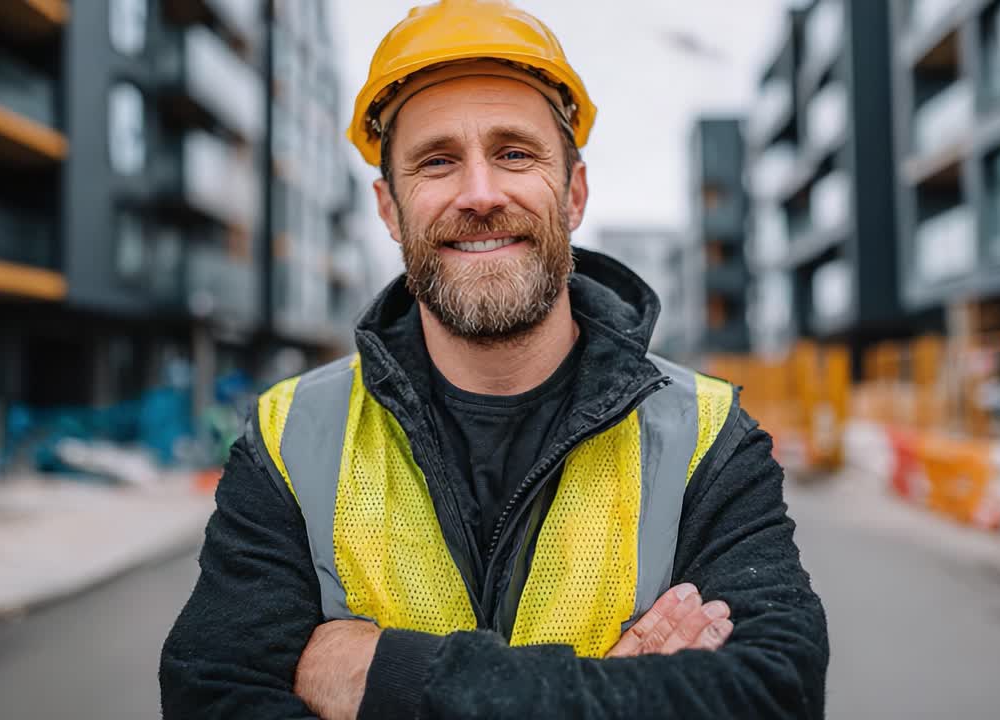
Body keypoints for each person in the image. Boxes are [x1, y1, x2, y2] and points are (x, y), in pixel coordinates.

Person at [160, 2, 828, 718]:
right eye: (438, 161)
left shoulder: (705, 435)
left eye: (514, 152)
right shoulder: (293, 437)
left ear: (573, 194)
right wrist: (616, 694)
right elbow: (212, 696)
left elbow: (773, 694)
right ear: (389, 209)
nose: (480, 194)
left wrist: (386, 678)